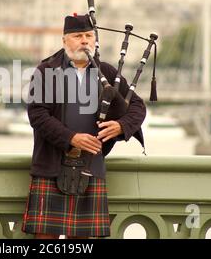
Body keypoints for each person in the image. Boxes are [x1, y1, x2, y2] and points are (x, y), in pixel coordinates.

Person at [21, 13, 146, 239]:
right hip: (52, 164)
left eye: (89, 35)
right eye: (78, 36)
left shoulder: (107, 73)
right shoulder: (46, 70)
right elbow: (37, 115)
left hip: (90, 164)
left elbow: (137, 106)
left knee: (80, 240)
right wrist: (71, 137)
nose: (85, 40)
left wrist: (121, 126)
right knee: (45, 239)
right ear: (64, 40)